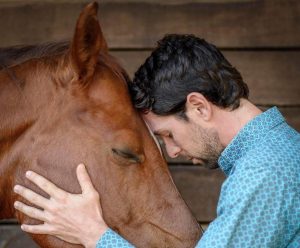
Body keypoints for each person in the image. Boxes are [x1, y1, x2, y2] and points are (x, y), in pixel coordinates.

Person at [13, 34, 300, 248]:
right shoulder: (282, 149)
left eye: (167, 134)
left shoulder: (262, 175)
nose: (173, 152)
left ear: (199, 107)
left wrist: (93, 234)